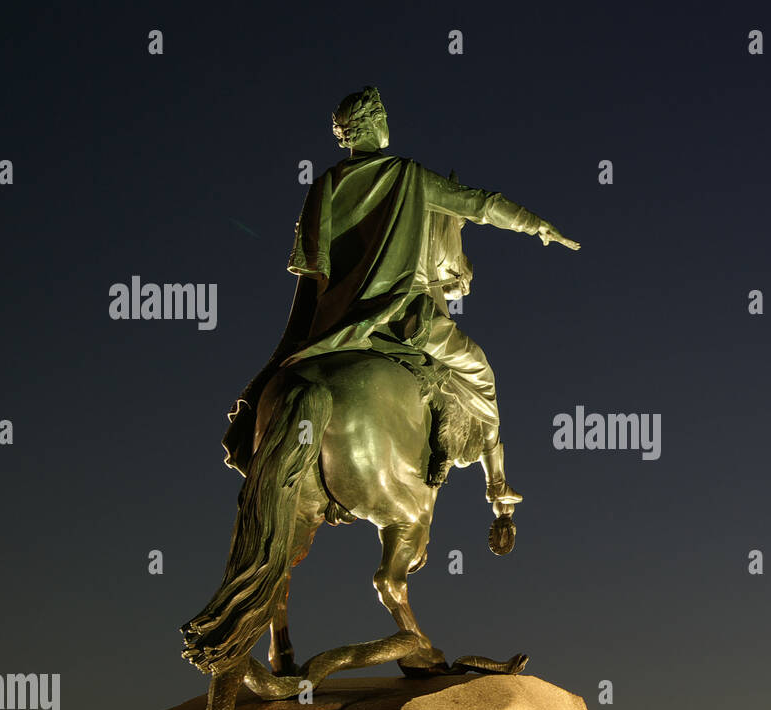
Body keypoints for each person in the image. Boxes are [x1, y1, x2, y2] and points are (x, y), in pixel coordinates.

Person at [222, 85, 579, 513]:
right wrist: (537, 225)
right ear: (375, 123)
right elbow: (479, 205)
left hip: (330, 326)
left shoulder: (323, 186)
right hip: (401, 319)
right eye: (385, 116)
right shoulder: (406, 176)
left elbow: (316, 269)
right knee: (483, 373)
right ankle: (497, 484)